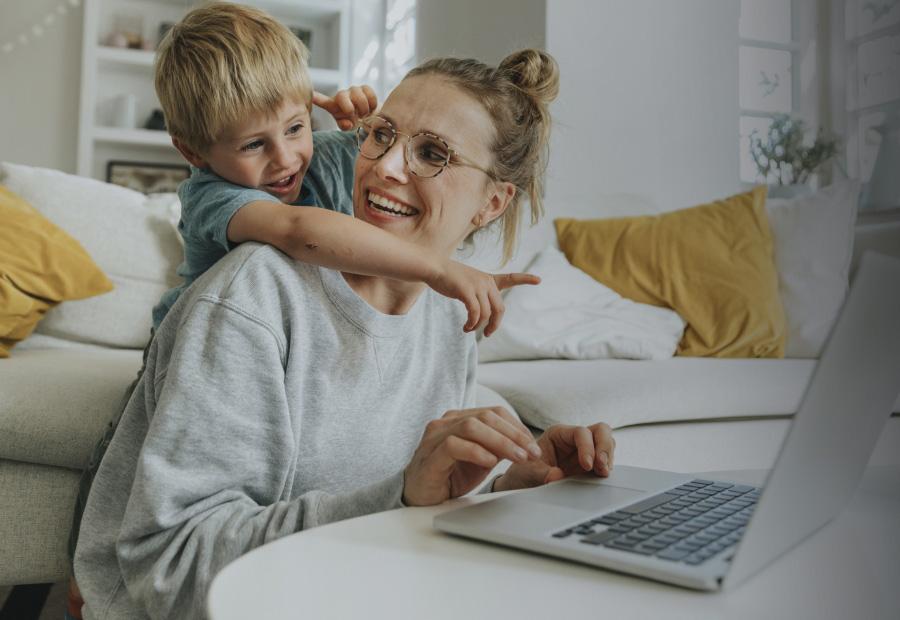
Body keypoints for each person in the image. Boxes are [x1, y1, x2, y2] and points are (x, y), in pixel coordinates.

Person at [73, 48, 615, 619]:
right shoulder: (251, 297)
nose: (384, 166)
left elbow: (418, 508)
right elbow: (170, 568)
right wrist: (399, 496)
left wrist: (514, 491)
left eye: (432, 153)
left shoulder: (448, 318)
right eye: (381, 134)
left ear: (493, 203)